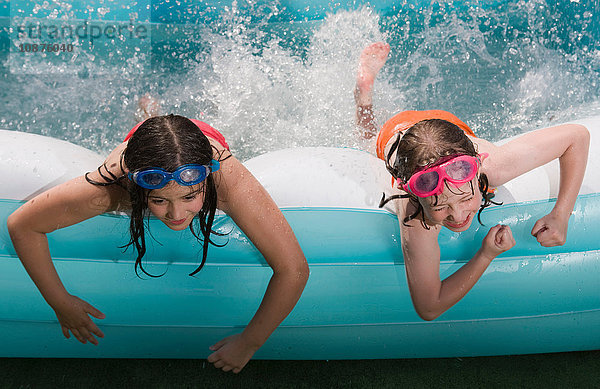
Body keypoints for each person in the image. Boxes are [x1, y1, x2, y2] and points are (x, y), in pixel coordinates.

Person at [6, 97, 309, 373]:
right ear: (140, 191)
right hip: (139, 145)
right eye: (159, 201)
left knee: (181, 137)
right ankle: (149, 112)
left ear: (205, 181)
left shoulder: (225, 179)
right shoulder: (115, 187)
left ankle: (156, 111)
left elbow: (293, 269)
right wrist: (59, 301)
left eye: (190, 197)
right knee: (154, 129)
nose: (176, 215)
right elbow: (22, 224)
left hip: (205, 140)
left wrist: (250, 342)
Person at [355, 42, 590, 321]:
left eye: (466, 198)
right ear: (416, 195)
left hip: (447, 126)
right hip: (397, 133)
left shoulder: (492, 167)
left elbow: (577, 136)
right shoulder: (415, 216)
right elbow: (429, 307)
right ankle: (363, 93)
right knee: (368, 139)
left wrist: (561, 214)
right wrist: (485, 255)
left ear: (477, 170)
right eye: (440, 207)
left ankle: (365, 93)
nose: (457, 216)